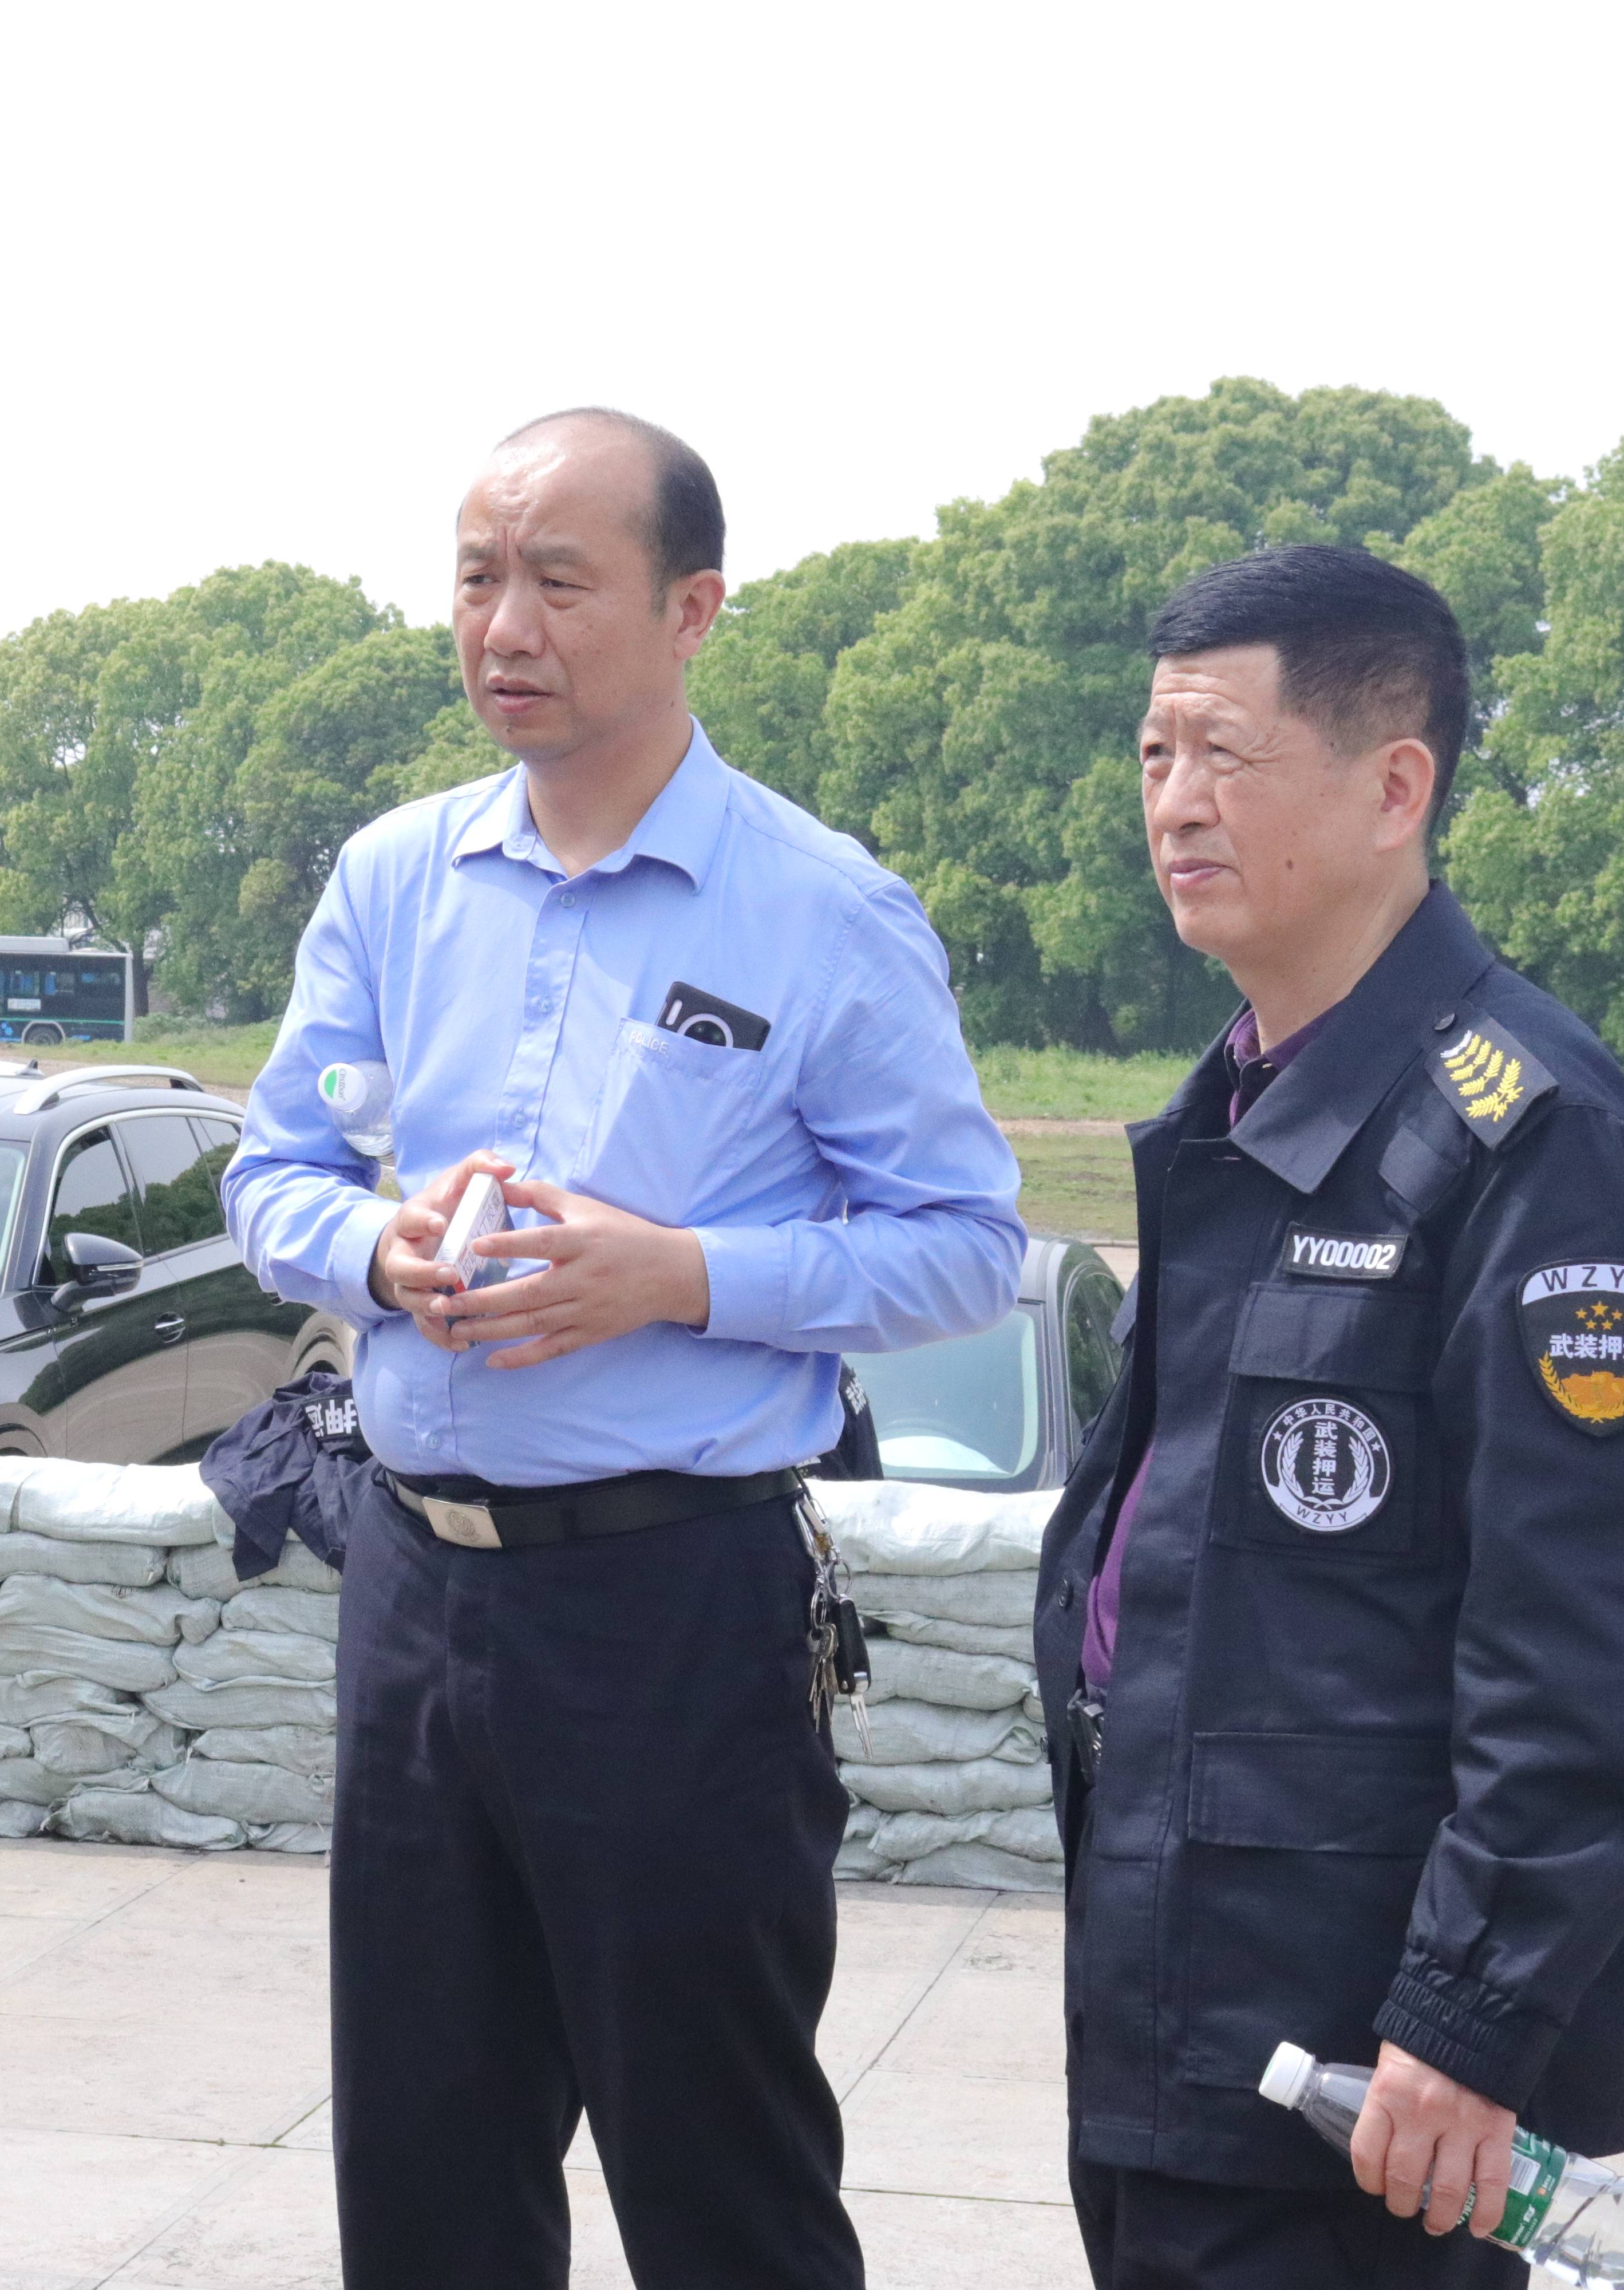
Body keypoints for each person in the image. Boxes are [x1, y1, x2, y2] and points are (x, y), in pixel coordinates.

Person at [224, 409, 1025, 2289]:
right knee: (423, 2178)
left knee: (718, 2183)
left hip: (676, 1608)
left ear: (692, 610)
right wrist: (377, 1249)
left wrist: (676, 1276)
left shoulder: (821, 910)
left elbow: (967, 1249)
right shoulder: (397, 878)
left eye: (559, 582)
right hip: (414, 1589)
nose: (505, 625)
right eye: (477, 577)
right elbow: (273, 1171)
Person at [1031, 545, 1624, 2288]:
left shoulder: (1532, 1141)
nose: (1175, 803)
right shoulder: (1245, 1108)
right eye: (1153, 755)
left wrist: (1467, 2023)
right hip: (1183, 2023)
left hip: (1367, 2080)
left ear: (1395, 786)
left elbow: (1588, 1648)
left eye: (1224, 754)